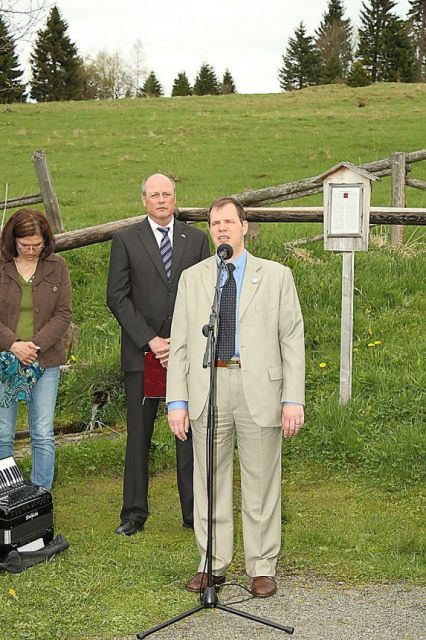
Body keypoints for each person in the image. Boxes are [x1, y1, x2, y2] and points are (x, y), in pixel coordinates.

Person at [167, 197, 305, 598]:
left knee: (261, 480)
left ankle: (262, 565)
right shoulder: (194, 279)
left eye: (229, 222)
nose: (222, 229)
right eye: (215, 223)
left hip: (258, 387)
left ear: (245, 227)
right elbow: (180, 346)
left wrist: (292, 398)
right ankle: (212, 562)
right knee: (208, 479)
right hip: (207, 388)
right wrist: (177, 401)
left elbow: (292, 341)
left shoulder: (277, 276)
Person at [107, 173, 210, 536]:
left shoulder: (196, 240)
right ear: (144, 200)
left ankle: (194, 512)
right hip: (142, 354)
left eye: (167, 194)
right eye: (155, 195)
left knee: (187, 434)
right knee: (139, 435)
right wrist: (151, 340)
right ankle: (133, 513)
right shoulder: (125, 240)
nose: (162, 200)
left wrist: (178, 342)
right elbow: (116, 297)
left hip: (184, 354)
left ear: (175, 197)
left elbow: (206, 294)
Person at [0, 208, 72, 490]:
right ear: (12, 241)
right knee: (3, 433)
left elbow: (63, 314)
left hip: (46, 361)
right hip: (4, 361)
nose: (31, 250)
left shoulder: (58, 267)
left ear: (45, 241)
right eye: (24, 245)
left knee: (42, 433)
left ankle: (41, 495)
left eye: (36, 245)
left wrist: (35, 346)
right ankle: (7, 497)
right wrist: (13, 345)